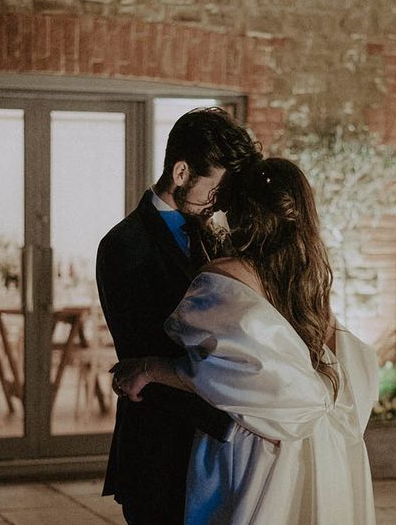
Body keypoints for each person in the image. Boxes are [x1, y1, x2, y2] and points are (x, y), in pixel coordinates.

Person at [113, 157, 378, 524]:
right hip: (322, 449)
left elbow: (218, 370)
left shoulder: (224, 277)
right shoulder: (308, 274)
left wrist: (150, 368)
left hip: (259, 449)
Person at [96, 107, 261, 525]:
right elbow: (147, 348)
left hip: (212, 450)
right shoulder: (124, 245)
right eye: (216, 188)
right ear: (182, 172)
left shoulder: (207, 231)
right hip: (160, 446)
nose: (219, 202)